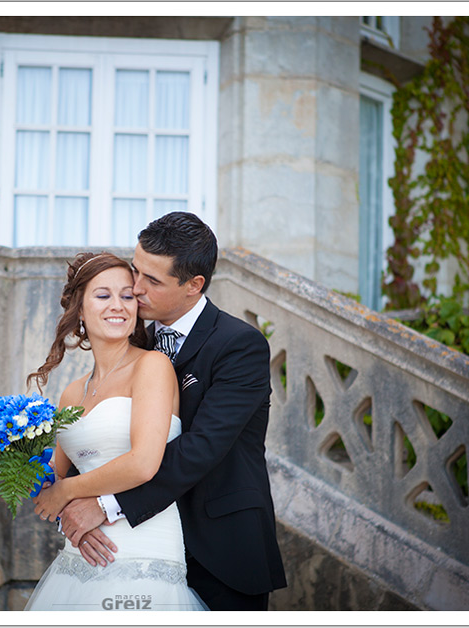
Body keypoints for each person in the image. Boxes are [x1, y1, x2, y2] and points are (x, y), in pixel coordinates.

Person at [58, 212, 287, 611]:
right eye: (136, 270)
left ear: (193, 286)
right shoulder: (132, 335)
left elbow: (200, 448)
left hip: (219, 549)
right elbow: (101, 436)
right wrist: (71, 508)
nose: (135, 287)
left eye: (153, 281)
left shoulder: (240, 346)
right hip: (130, 543)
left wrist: (103, 504)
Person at [22, 251, 208, 611]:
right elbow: (50, 481)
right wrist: (72, 522)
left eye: (127, 296)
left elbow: (142, 463)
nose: (118, 306)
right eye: (103, 295)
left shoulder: (152, 366)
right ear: (79, 309)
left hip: (143, 547)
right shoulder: (72, 392)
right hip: (80, 552)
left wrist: (66, 493)